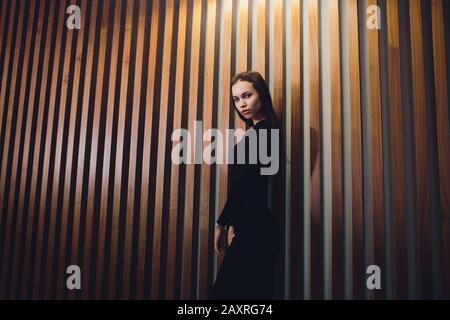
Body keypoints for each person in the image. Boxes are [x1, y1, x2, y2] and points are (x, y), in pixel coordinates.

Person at [209, 70, 282, 300]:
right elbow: (249, 187)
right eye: (236, 99)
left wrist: (222, 224)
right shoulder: (262, 132)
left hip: (255, 230)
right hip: (253, 227)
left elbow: (244, 187)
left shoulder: (263, 133)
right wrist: (234, 225)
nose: (241, 103)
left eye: (247, 95)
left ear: (262, 94)